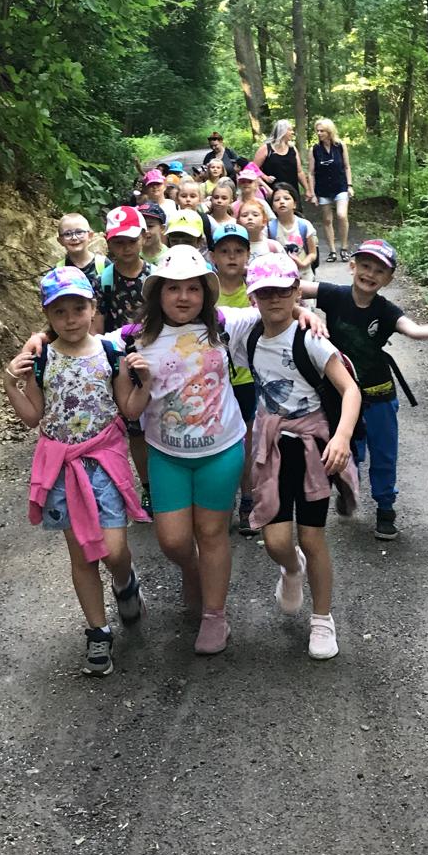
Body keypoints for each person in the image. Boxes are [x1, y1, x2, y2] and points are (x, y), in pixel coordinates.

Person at [117, 246, 325, 655]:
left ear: (206, 293)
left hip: (222, 450)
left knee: (212, 533)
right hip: (166, 454)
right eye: (173, 288)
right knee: (173, 541)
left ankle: (215, 615)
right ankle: (192, 572)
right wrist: (41, 338)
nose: (183, 297)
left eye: (193, 288)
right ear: (157, 292)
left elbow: (273, 312)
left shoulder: (224, 324)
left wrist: (304, 311)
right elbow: (82, 339)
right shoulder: (133, 338)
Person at [3, 267, 148, 677]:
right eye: (59, 311)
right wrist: (11, 385)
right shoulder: (42, 359)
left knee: (114, 550)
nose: (70, 319)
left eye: (78, 309)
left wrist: (146, 384)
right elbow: (33, 416)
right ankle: (98, 632)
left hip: (104, 461)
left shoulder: (110, 352)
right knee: (82, 553)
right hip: (62, 467)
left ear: (93, 307)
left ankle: (125, 581)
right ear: (47, 315)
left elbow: (129, 408)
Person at [227, 257, 361, 660]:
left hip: (313, 447)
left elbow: (350, 389)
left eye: (284, 291)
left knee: (312, 537)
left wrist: (342, 436)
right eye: (265, 292)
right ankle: (290, 568)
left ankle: (322, 619)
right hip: (271, 447)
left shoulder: (311, 339)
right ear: (253, 296)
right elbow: (203, 316)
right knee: (276, 540)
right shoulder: (248, 333)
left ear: (296, 291)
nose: (275, 299)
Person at [312, 239, 428, 541]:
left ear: (388, 279)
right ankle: (347, 487)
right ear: (352, 266)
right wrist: (282, 297)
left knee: (384, 453)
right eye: (365, 266)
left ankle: (385, 507)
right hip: (340, 394)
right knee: (346, 449)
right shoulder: (334, 295)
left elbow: (413, 330)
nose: (370, 274)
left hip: (379, 394)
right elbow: (293, 288)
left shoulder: (385, 310)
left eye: (379, 271)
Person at [97, 204, 153, 506]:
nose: (126, 248)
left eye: (131, 240)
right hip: (120, 364)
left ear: (143, 237)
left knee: (160, 420)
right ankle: (148, 486)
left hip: (155, 359)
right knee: (135, 430)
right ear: (109, 243)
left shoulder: (155, 277)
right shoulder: (104, 281)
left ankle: (166, 480)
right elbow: (97, 325)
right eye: (119, 242)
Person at [211, 222, 257, 537]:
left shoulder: (255, 289)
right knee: (220, 442)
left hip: (247, 378)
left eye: (238, 251)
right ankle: (222, 502)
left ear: (247, 255)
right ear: (213, 256)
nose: (231, 257)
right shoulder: (205, 290)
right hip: (212, 382)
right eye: (224, 251)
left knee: (247, 442)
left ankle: (249, 499)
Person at [307, 119, 354, 262]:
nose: (319, 133)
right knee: (327, 220)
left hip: (340, 186)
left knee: (341, 215)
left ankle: (344, 248)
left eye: (322, 131)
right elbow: (311, 173)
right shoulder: (314, 149)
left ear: (329, 131)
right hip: (323, 188)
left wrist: (350, 185)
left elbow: (347, 167)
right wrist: (312, 193)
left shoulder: (340, 146)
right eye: (317, 131)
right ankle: (332, 250)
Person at [55, 212, 107, 296]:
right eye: (67, 234)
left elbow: (112, 296)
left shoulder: (103, 265)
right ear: (60, 241)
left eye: (79, 232)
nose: (74, 238)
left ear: (90, 236)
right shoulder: (58, 270)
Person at [267, 184, 317, 271]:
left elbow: (313, 253)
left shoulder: (304, 225)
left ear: (295, 204)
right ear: (273, 207)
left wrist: (303, 263)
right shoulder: (270, 227)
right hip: (280, 274)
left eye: (286, 198)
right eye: (277, 200)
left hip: (304, 273)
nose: (282, 202)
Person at [253, 119, 307, 199]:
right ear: (282, 131)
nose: (292, 132)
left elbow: (299, 172)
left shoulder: (293, 149)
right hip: (272, 194)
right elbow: (253, 169)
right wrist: (265, 178)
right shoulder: (266, 149)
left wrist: (307, 189)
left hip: (292, 194)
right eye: (290, 130)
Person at [171, 176, 214, 248]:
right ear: (177, 199)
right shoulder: (173, 219)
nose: (188, 199)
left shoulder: (206, 219)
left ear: (200, 199)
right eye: (184, 196)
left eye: (192, 196)